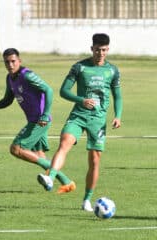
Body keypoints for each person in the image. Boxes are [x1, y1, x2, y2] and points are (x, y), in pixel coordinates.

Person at [37, 33, 123, 212]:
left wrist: (118, 115)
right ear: (92, 48)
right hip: (78, 115)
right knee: (64, 143)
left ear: (108, 49)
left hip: (98, 121)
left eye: (104, 50)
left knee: (94, 161)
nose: (101, 53)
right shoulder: (79, 67)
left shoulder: (112, 70)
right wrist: (81, 100)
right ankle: (51, 177)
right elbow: (63, 91)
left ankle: (87, 200)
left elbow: (118, 96)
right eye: (98, 49)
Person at [0, 48, 75, 193]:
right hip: (33, 120)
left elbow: (48, 90)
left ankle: (65, 180)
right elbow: (8, 99)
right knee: (39, 154)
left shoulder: (28, 76)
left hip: (39, 121)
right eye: (7, 62)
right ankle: (64, 182)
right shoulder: (10, 78)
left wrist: (45, 114)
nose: (10, 65)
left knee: (16, 149)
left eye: (13, 61)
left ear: (19, 61)